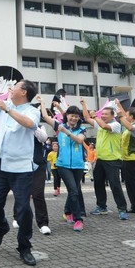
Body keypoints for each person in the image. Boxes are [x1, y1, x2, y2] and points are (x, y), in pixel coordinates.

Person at [0, 63, 40, 267]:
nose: (11, 87)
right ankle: (1, 228)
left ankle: (24, 247)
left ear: (23, 92)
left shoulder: (32, 111)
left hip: (21, 168)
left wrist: (7, 108)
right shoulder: (5, 103)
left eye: (16, 86)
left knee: (23, 209)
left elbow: (29, 124)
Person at [41, 98, 87, 231]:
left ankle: (67, 212)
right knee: (73, 190)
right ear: (67, 116)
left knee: (74, 190)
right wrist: (43, 103)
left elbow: (79, 141)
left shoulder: (81, 129)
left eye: (76, 116)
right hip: (63, 165)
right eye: (72, 116)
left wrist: (66, 132)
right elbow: (45, 116)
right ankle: (78, 219)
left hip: (78, 165)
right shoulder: (59, 126)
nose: (74, 118)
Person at [80, 99, 129, 220]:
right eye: (102, 114)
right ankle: (102, 207)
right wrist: (84, 104)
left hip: (112, 159)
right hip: (101, 159)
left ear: (113, 116)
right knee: (98, 183)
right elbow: (87, 118)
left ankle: (122, 209)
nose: (103, 116)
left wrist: (96, 116)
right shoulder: (99, 122)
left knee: (115, 185)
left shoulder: (116, 125)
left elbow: (104, 125)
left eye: (106, 114)